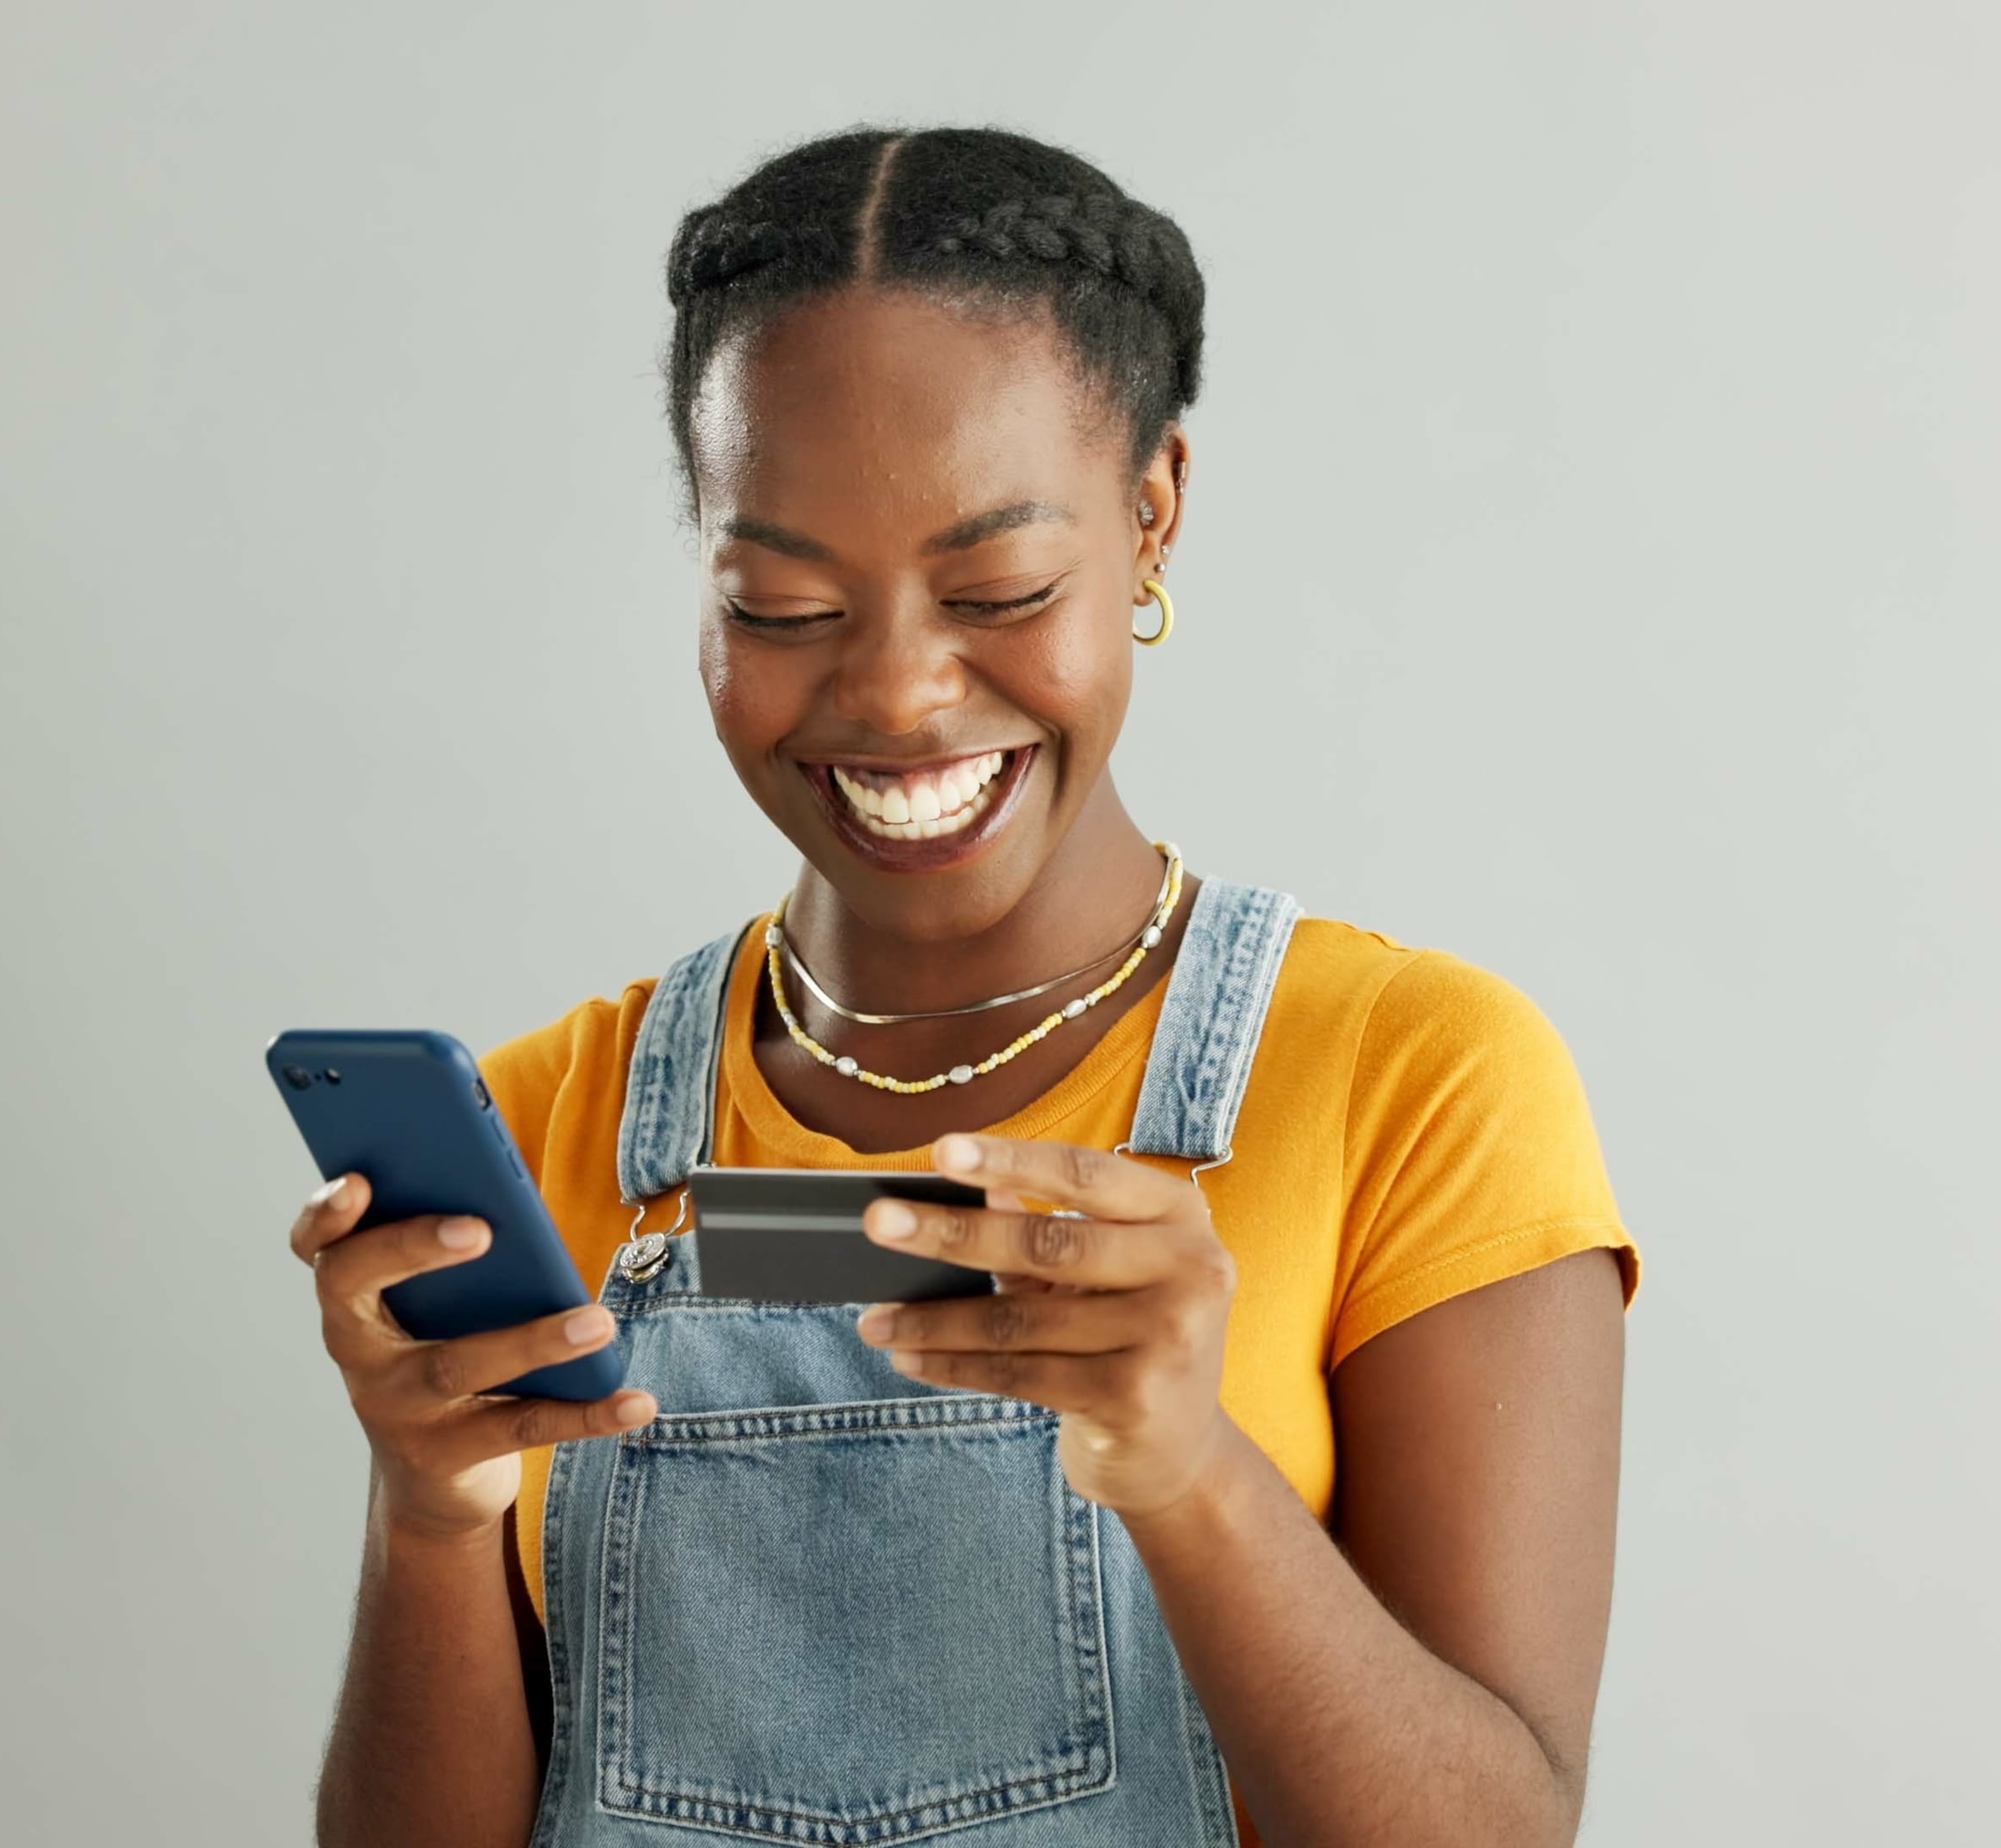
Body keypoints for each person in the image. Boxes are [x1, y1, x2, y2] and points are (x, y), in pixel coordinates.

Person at [287, 125, 1637, 1848]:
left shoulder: (1415, 1077)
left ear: (1150, 516)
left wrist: (1190, 1470)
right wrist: (429, 1507)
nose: (903, 694)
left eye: (998, 588)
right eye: (780, 604)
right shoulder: (547, 1114)